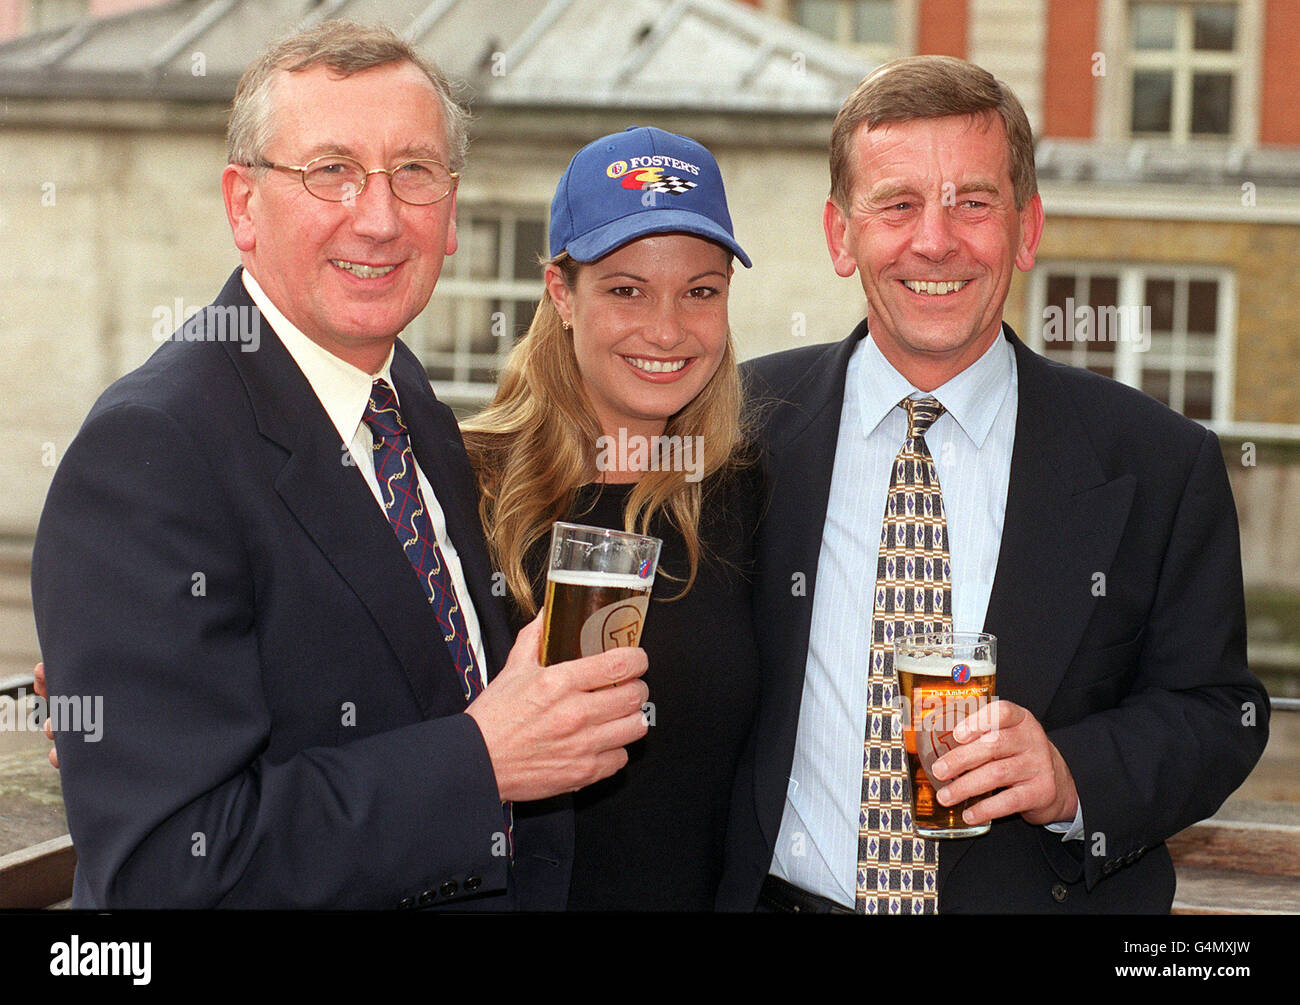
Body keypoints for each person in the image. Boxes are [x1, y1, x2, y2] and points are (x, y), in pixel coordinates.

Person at [30, 21, 650, 910]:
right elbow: (164, 870)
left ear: (451, 212)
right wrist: (479, 760)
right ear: (243, 204)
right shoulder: (150, 454)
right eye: (331, 170)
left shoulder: (407, 402)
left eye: (414, 172)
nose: (381, 214)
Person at [718, 55, 1269, 914]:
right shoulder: (738, 431)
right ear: (839, 235)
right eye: (897, 204)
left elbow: (1217, 709)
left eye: (973, 202)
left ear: (1026, 228)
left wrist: (1069, 773)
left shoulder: (1156, 461)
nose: (935, 240)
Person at [460, 126, 761, 909]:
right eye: (626, 289)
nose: (667, 330)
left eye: (701, 291)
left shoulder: (748, 491)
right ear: (561, 294)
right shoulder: (464, 480)